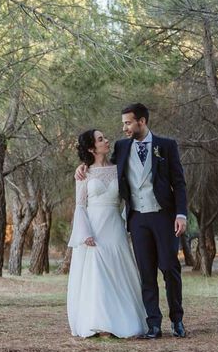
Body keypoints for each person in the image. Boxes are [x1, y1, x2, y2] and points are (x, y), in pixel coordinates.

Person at [76, 103, 188, 339]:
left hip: (163, 215)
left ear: (142, 121)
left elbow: (178, 182)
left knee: (169, 268)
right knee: (146, 273)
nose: (124, 127)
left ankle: (177, 319)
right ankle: (153, 324)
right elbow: (105, 169)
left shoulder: (166, 146)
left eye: (128, 122)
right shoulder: (122, 147)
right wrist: (82, 166)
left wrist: (181, 214)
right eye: (123, 123)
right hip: (137, 219)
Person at [67, 129, 147, 338]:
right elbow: (80, 205)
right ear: (92, 148)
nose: (106, 141)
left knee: (118, 269)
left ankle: (125, 320)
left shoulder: (118, 169)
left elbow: (129, 197)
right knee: (97, 273)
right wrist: (85, 233)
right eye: (101, 139)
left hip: (114, 225)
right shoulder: (84, 173)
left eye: (104, 138)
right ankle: (100, 324)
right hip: (94, 227)